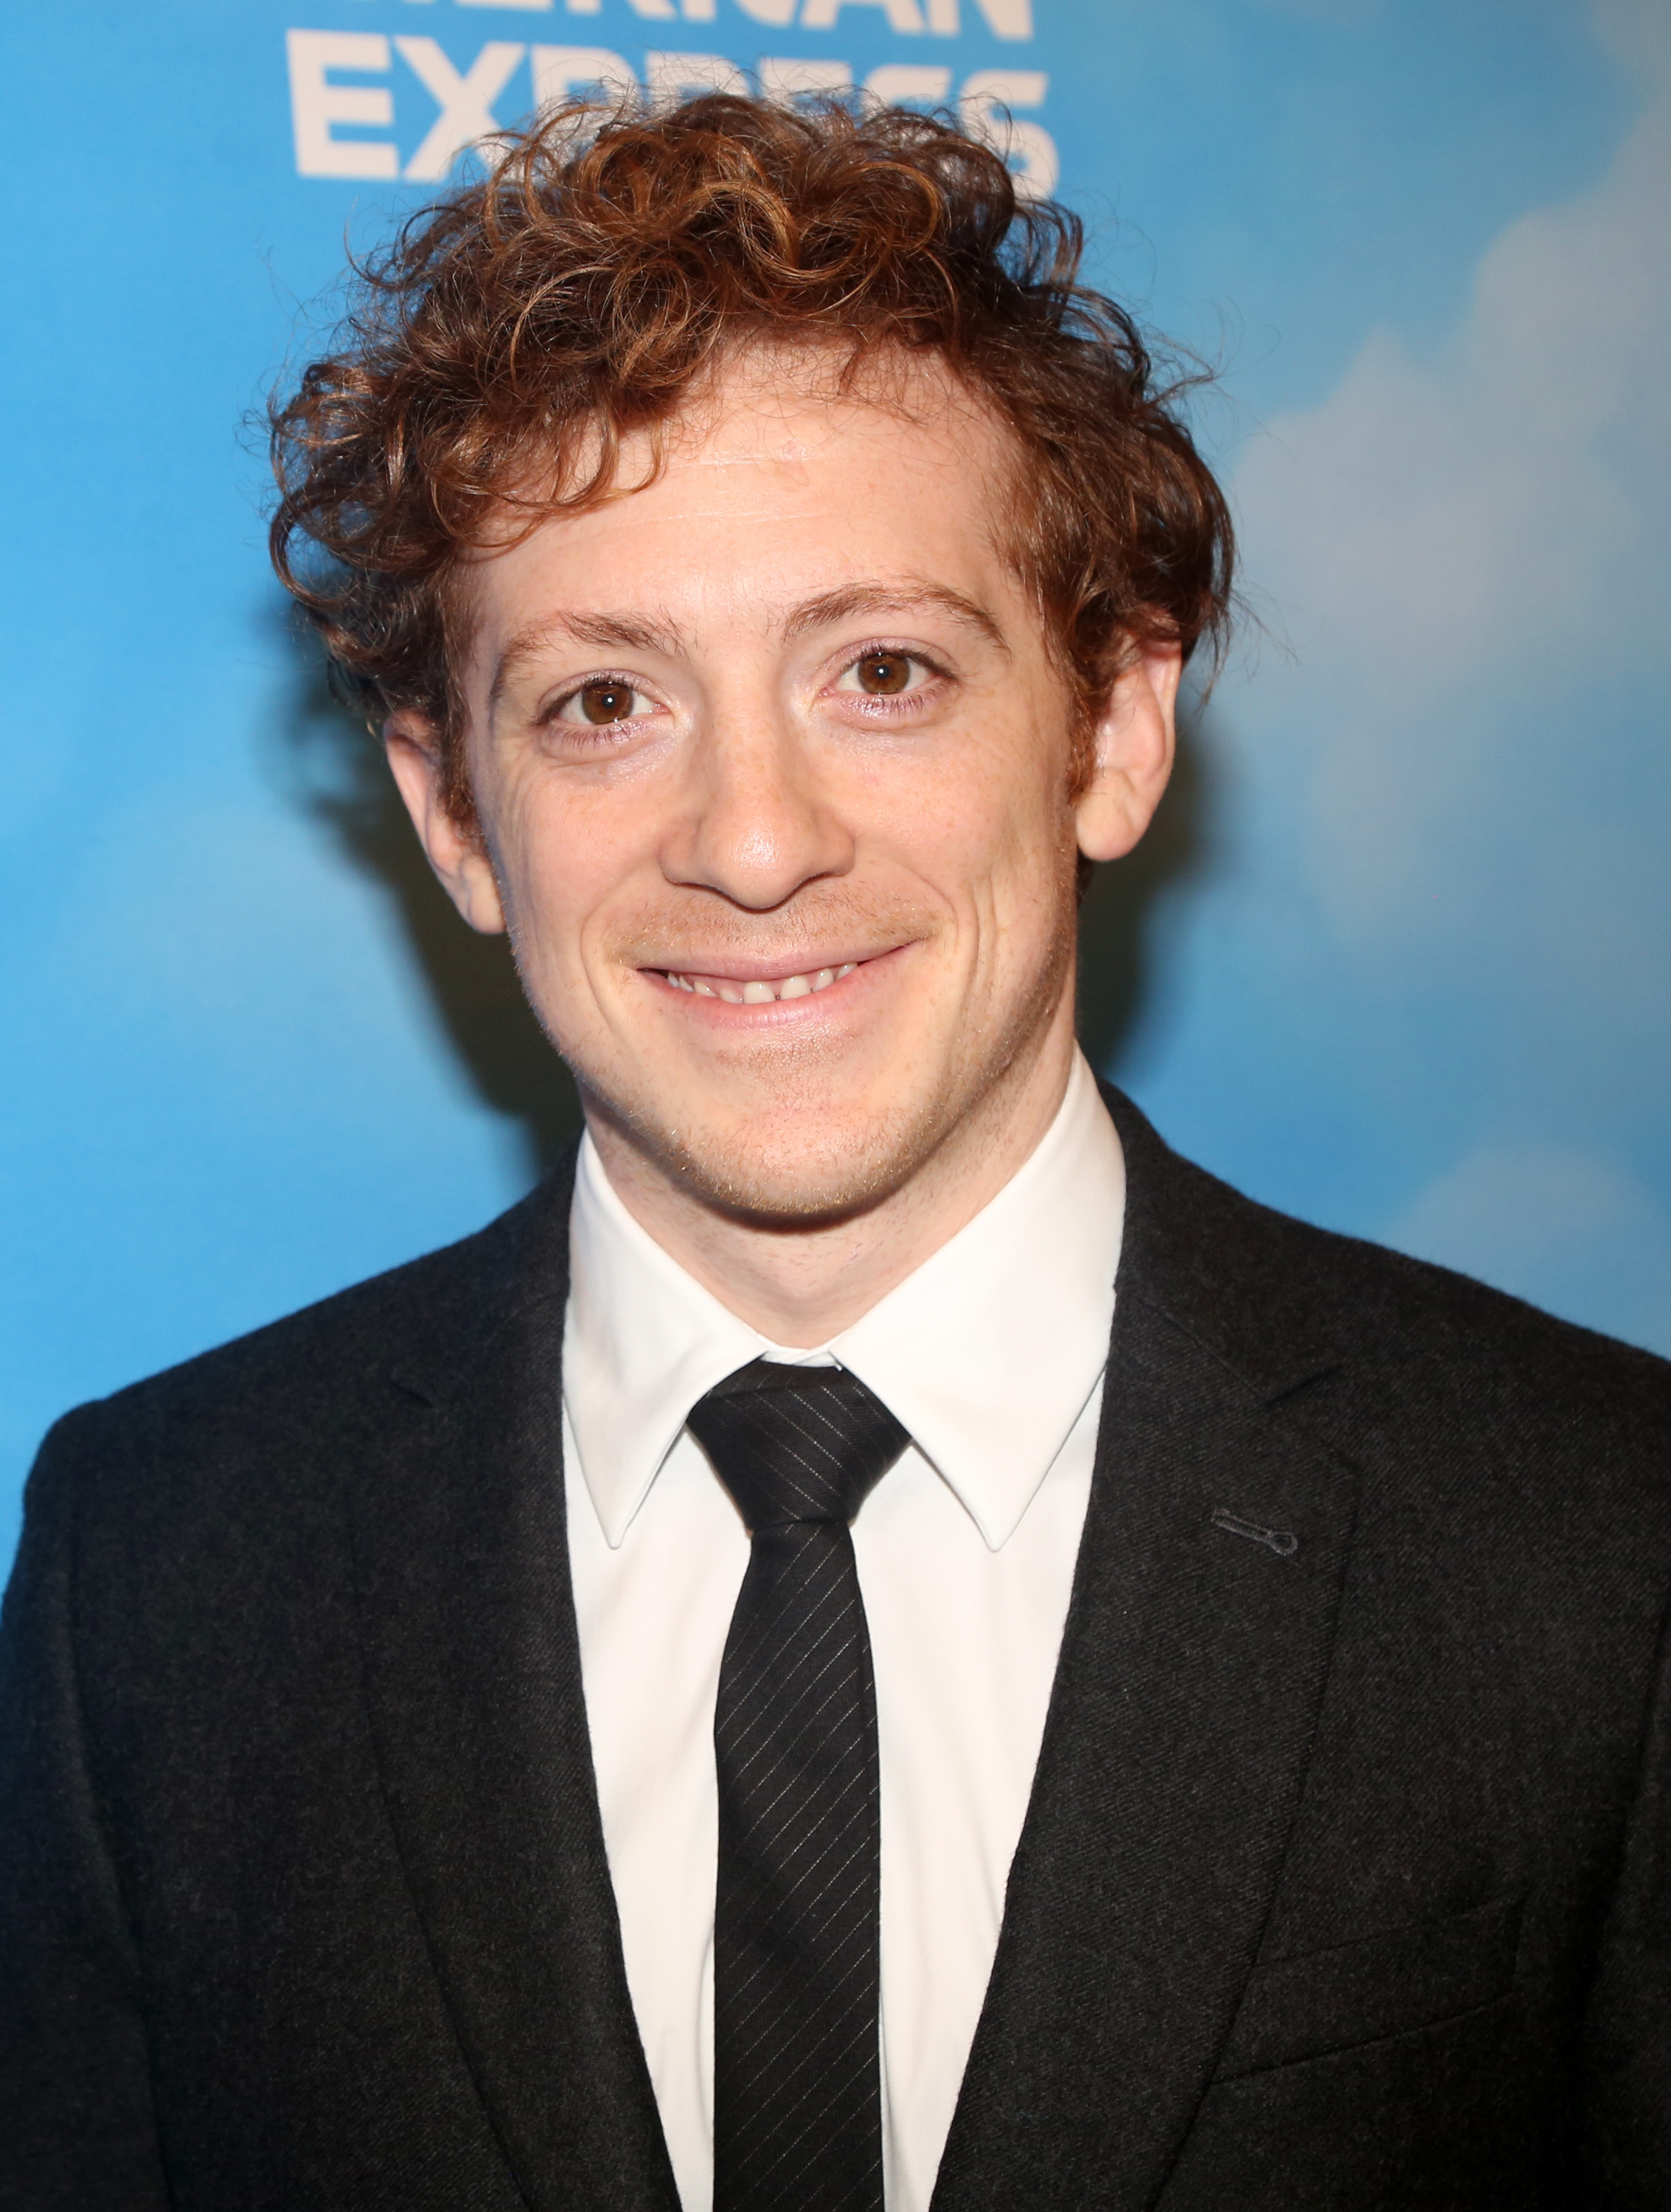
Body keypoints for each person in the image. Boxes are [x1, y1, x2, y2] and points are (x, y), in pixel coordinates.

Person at [1, 93, 1668, 2212]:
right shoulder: (157, 1566)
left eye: (880, 672)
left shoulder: (1600, 1549)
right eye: (605, 703)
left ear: (1113, 723)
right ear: (448, 817)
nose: (755, 843)